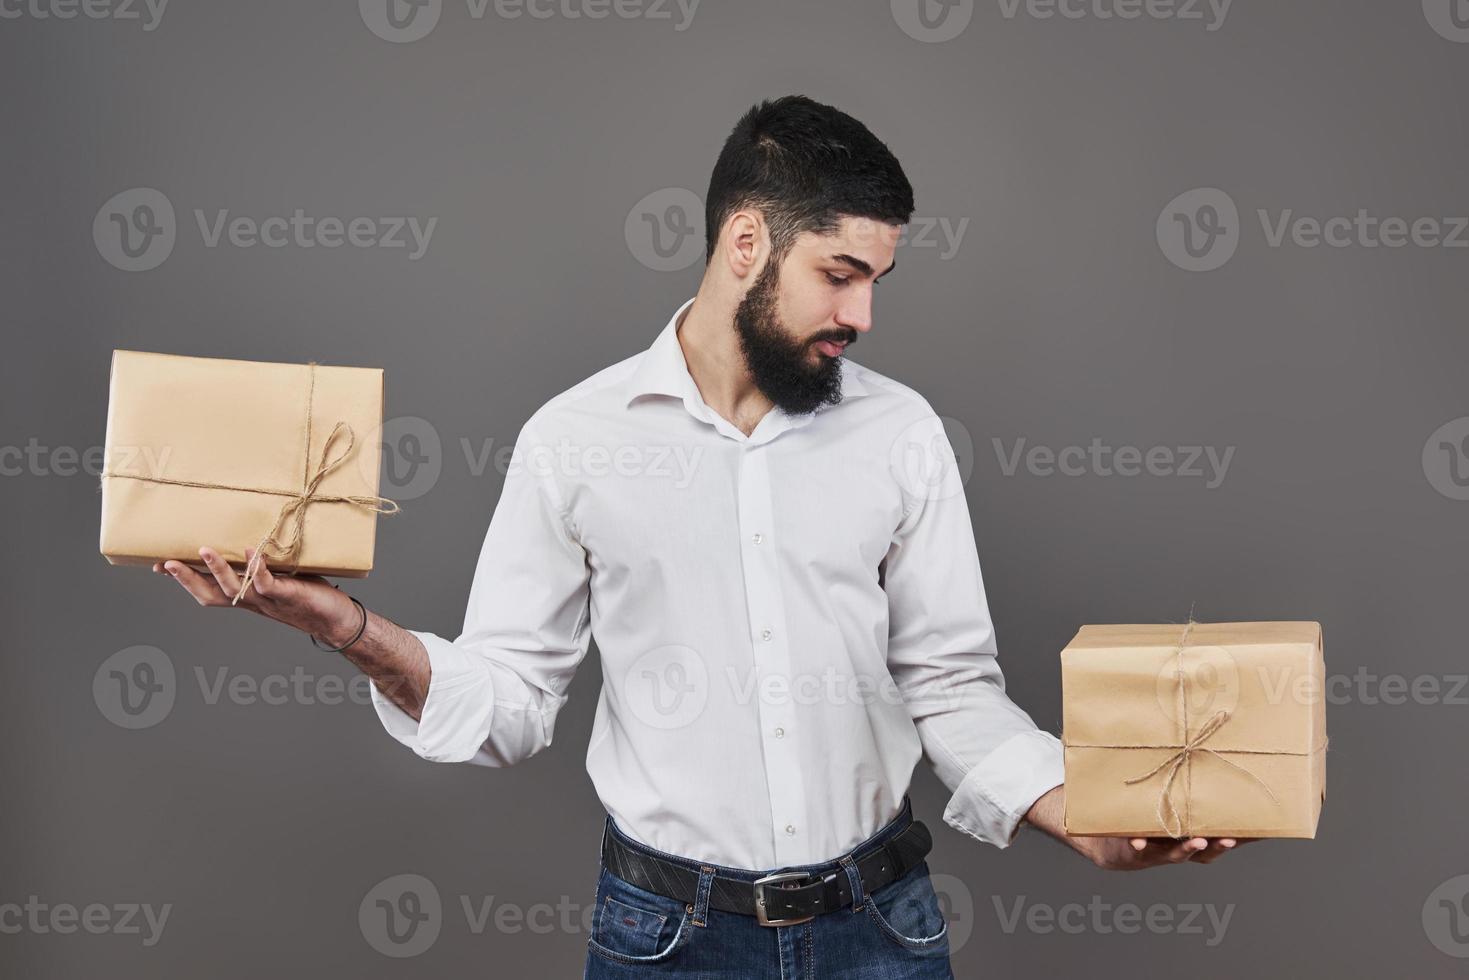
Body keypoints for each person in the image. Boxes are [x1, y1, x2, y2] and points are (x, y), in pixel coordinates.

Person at [154, 94, 1251, 978]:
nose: (861, 315)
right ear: (743, 243)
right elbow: (505, 701)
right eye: (839, 272)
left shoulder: (901, 432)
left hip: (882, 927)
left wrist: (1081, 817)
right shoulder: (571, 440)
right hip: (666, 939)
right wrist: (344, 624)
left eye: (877, 280)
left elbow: (951, 685)